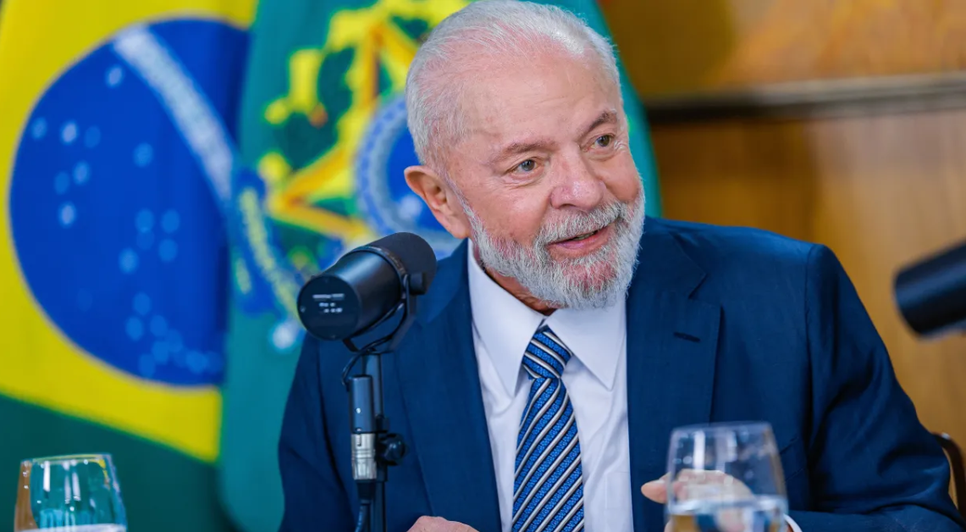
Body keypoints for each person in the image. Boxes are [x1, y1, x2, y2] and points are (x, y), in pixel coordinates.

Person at [276, 2, 965, 531]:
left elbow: (923, 521)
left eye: (602, 140)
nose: (586, 190)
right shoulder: (361, 354)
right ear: (442, 200)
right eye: (528, 164)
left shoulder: (786, 297)